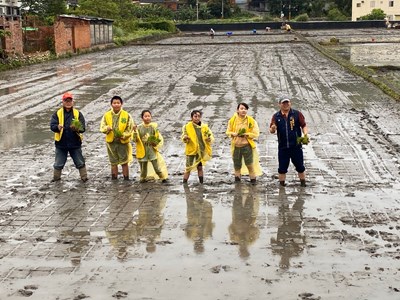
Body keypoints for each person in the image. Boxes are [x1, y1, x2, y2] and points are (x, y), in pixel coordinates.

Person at [269, 95, 308, 187]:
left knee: (300, 167)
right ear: (279, 104)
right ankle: (281, 186)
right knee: (282, 168)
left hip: (296, 146)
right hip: (283, 147)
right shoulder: (276, 116)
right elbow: (271, 131)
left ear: (290, 103)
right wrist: (273, 128)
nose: (286, 104)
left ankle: (303, 184)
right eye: (283, 103)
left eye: (287, 102)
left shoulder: (297, 114)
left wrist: (305, 134)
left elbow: (304, 125)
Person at [50, 92, 88, 182]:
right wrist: (57, 127)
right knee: (58, 163)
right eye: (66, 101)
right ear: (63, 102)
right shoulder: (57, 114)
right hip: (61, 144)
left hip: (75, 143)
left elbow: (83, 128)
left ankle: (84, 178)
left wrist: (77, 128)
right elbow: (52, 126)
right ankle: (56, 178)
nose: (68, 103)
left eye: (70, 101)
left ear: (72, 102)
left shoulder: (78, 114)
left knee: (80, 162)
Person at [100, 95, 135, 180]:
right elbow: (102, 127)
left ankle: (126, 178)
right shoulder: (106, 115)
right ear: (111, 104)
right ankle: (114, 178)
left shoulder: (126, 115)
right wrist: (106, 129)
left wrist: (123, 135)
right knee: (113, 162)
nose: (116, 105)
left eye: (118, 103)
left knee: (124, 162)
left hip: (122, 142)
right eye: (114, 103)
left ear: (121, 104)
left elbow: (130, 128)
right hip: (111, 142)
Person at [226, 102, 262, 184]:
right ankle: (237, 182)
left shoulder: (251, 121)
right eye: (241, 109)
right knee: (237, 165)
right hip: (236, 146)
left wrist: (247, 135)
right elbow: (228, 131)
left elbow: (256, 133)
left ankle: (253, 182)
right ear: (237, 110)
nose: (243, 110)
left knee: (250, 165)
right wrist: (233, 134)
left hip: (247, 146)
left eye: (245, 109)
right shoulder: (232, 120)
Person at [133, 110, 168, 183]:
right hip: (143, 150)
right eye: (145, 116)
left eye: (149, 116)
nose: (147, 118)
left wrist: (154, 143)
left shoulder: (153, 127)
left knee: (156, 166)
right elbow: (134, 139)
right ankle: (142, 178)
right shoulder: (139, 128)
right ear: (142, 118)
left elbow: (157, 138)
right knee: (143, 167)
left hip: (151, 150)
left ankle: (162, 177)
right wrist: (135, 131)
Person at [181, 110, 214, 184]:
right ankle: (184, 182)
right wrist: (185, 138)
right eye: (195, 116)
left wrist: (209, 139)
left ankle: (201, 182)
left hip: (200, 150)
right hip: (191, 150)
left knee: (200, 167)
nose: (197, 118)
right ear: (192, 117)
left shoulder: (204, 127)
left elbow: (210, 135)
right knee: (188, 168)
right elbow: (183, 136)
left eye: (199, 116)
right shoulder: (187, 126)